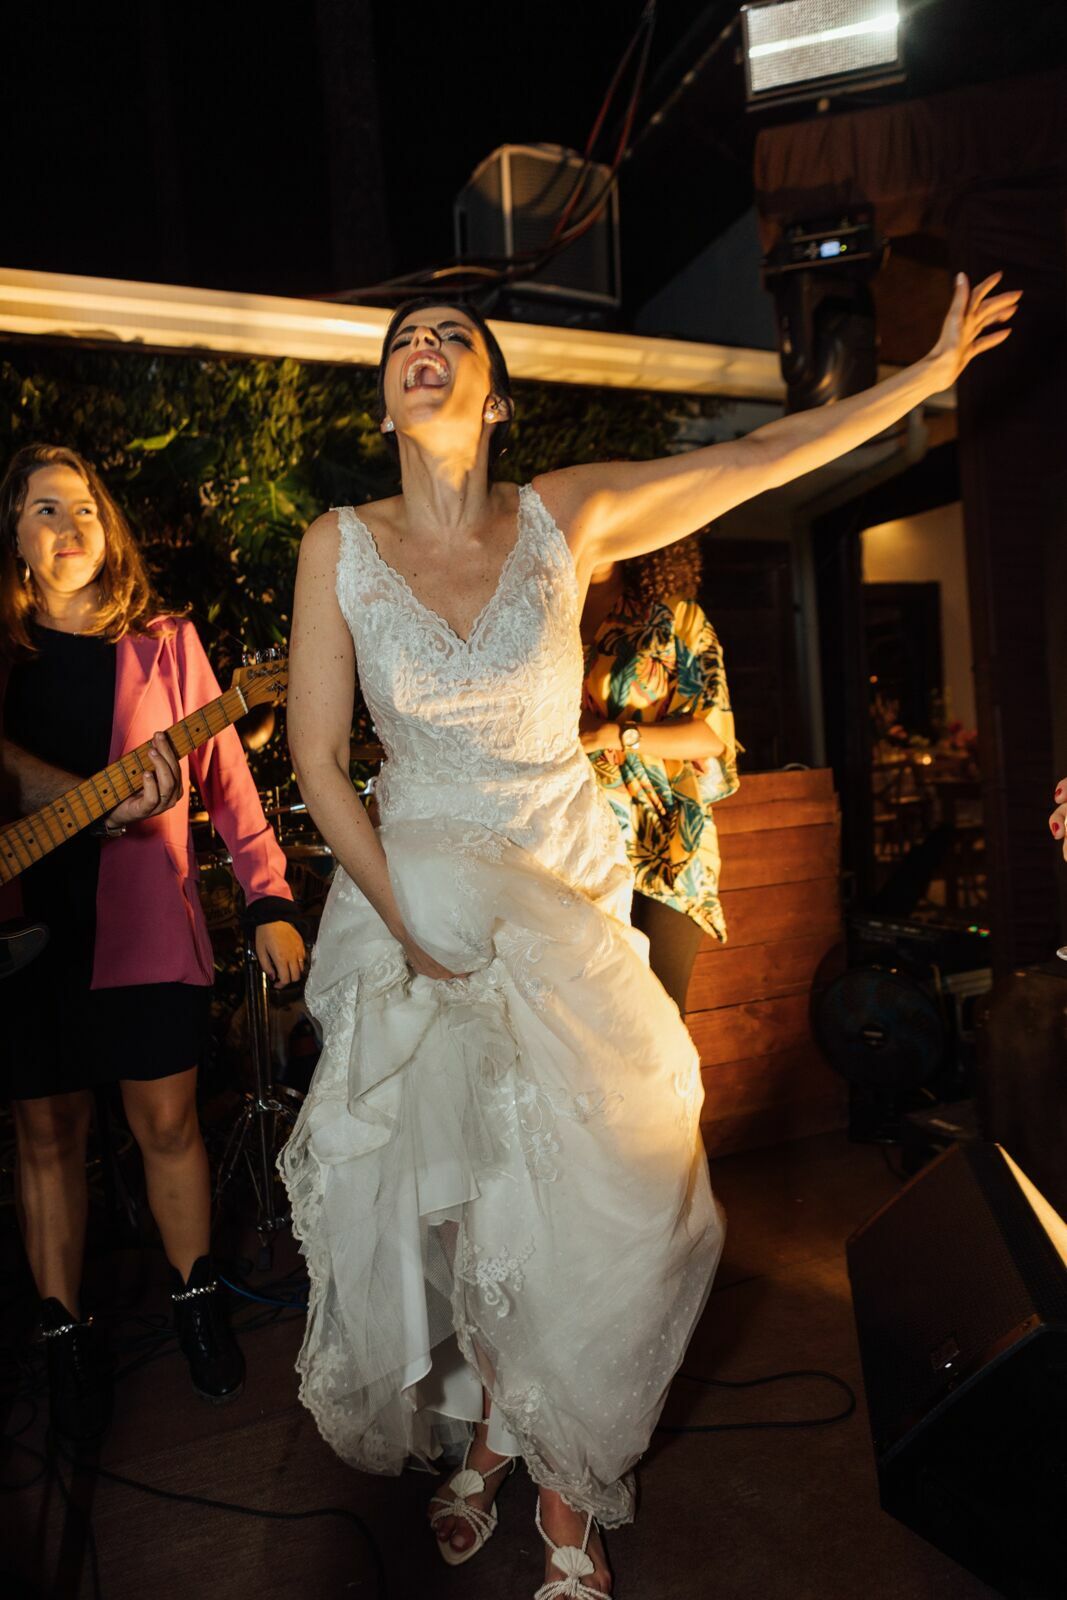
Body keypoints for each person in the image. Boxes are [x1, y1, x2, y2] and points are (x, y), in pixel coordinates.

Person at [283, 273, 1017, 1598]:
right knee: (480, 1220)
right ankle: (503, 1451)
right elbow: (319, 763)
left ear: (495, 400)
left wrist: (915, 381)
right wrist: (400, 921)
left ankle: (566, 1488)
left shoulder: (563, 514)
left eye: (450, 337)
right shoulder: (340, 545)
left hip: (560, 902)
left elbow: (748, 456)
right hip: (421, 914)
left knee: (621, 1196)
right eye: (401, 342)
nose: (422, 349)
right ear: (384, 396)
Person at [0, 444, 306, 1441]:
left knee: (169, 1124)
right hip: (23, 934)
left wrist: (267, 895)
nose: (68, 523)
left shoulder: (167, 643)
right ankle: (63, 1330)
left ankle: (194, 1298)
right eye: (44, 508)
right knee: (46, 1136)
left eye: (83, 506)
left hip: (142, 922)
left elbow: (227, 779)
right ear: (15, 536)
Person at [580, 535, 738, 1013]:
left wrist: (613, 733)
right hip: (572, 838)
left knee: (658, 1023)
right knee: (588, 1023)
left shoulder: (676, 617)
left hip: (664, 838)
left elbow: (710, 737)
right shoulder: (541, 611)